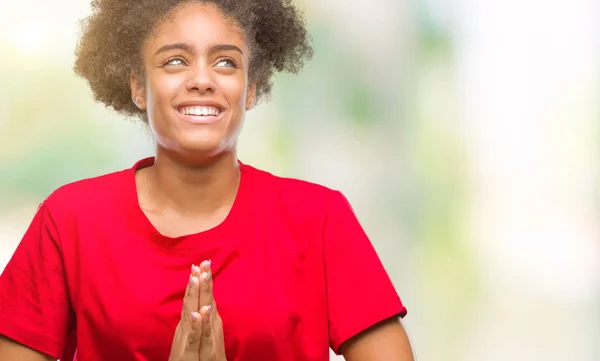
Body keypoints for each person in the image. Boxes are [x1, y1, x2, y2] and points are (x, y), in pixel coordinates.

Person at [0, 0, 414, 360]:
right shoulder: (71, 219)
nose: (202, 80)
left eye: (226, 62)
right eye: (175, 60)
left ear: (250, 88)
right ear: (138, 88)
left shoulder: (319, 218)